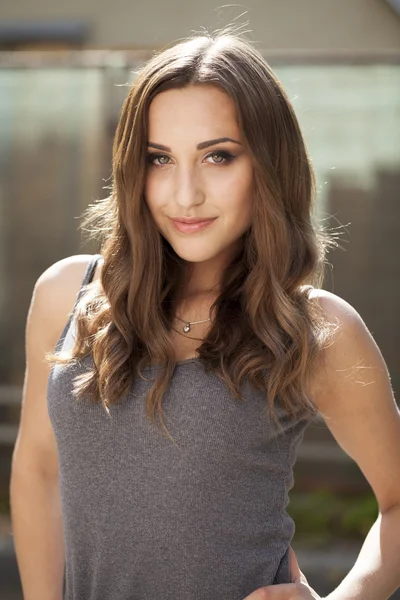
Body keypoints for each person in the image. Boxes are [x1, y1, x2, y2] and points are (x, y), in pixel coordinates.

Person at [9, 26, 400, 600]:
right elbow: (38, 472)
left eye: (218, 156)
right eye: (159, 159)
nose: (184, 193)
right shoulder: (68, 294)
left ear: (268, 164)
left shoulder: (316, 330)